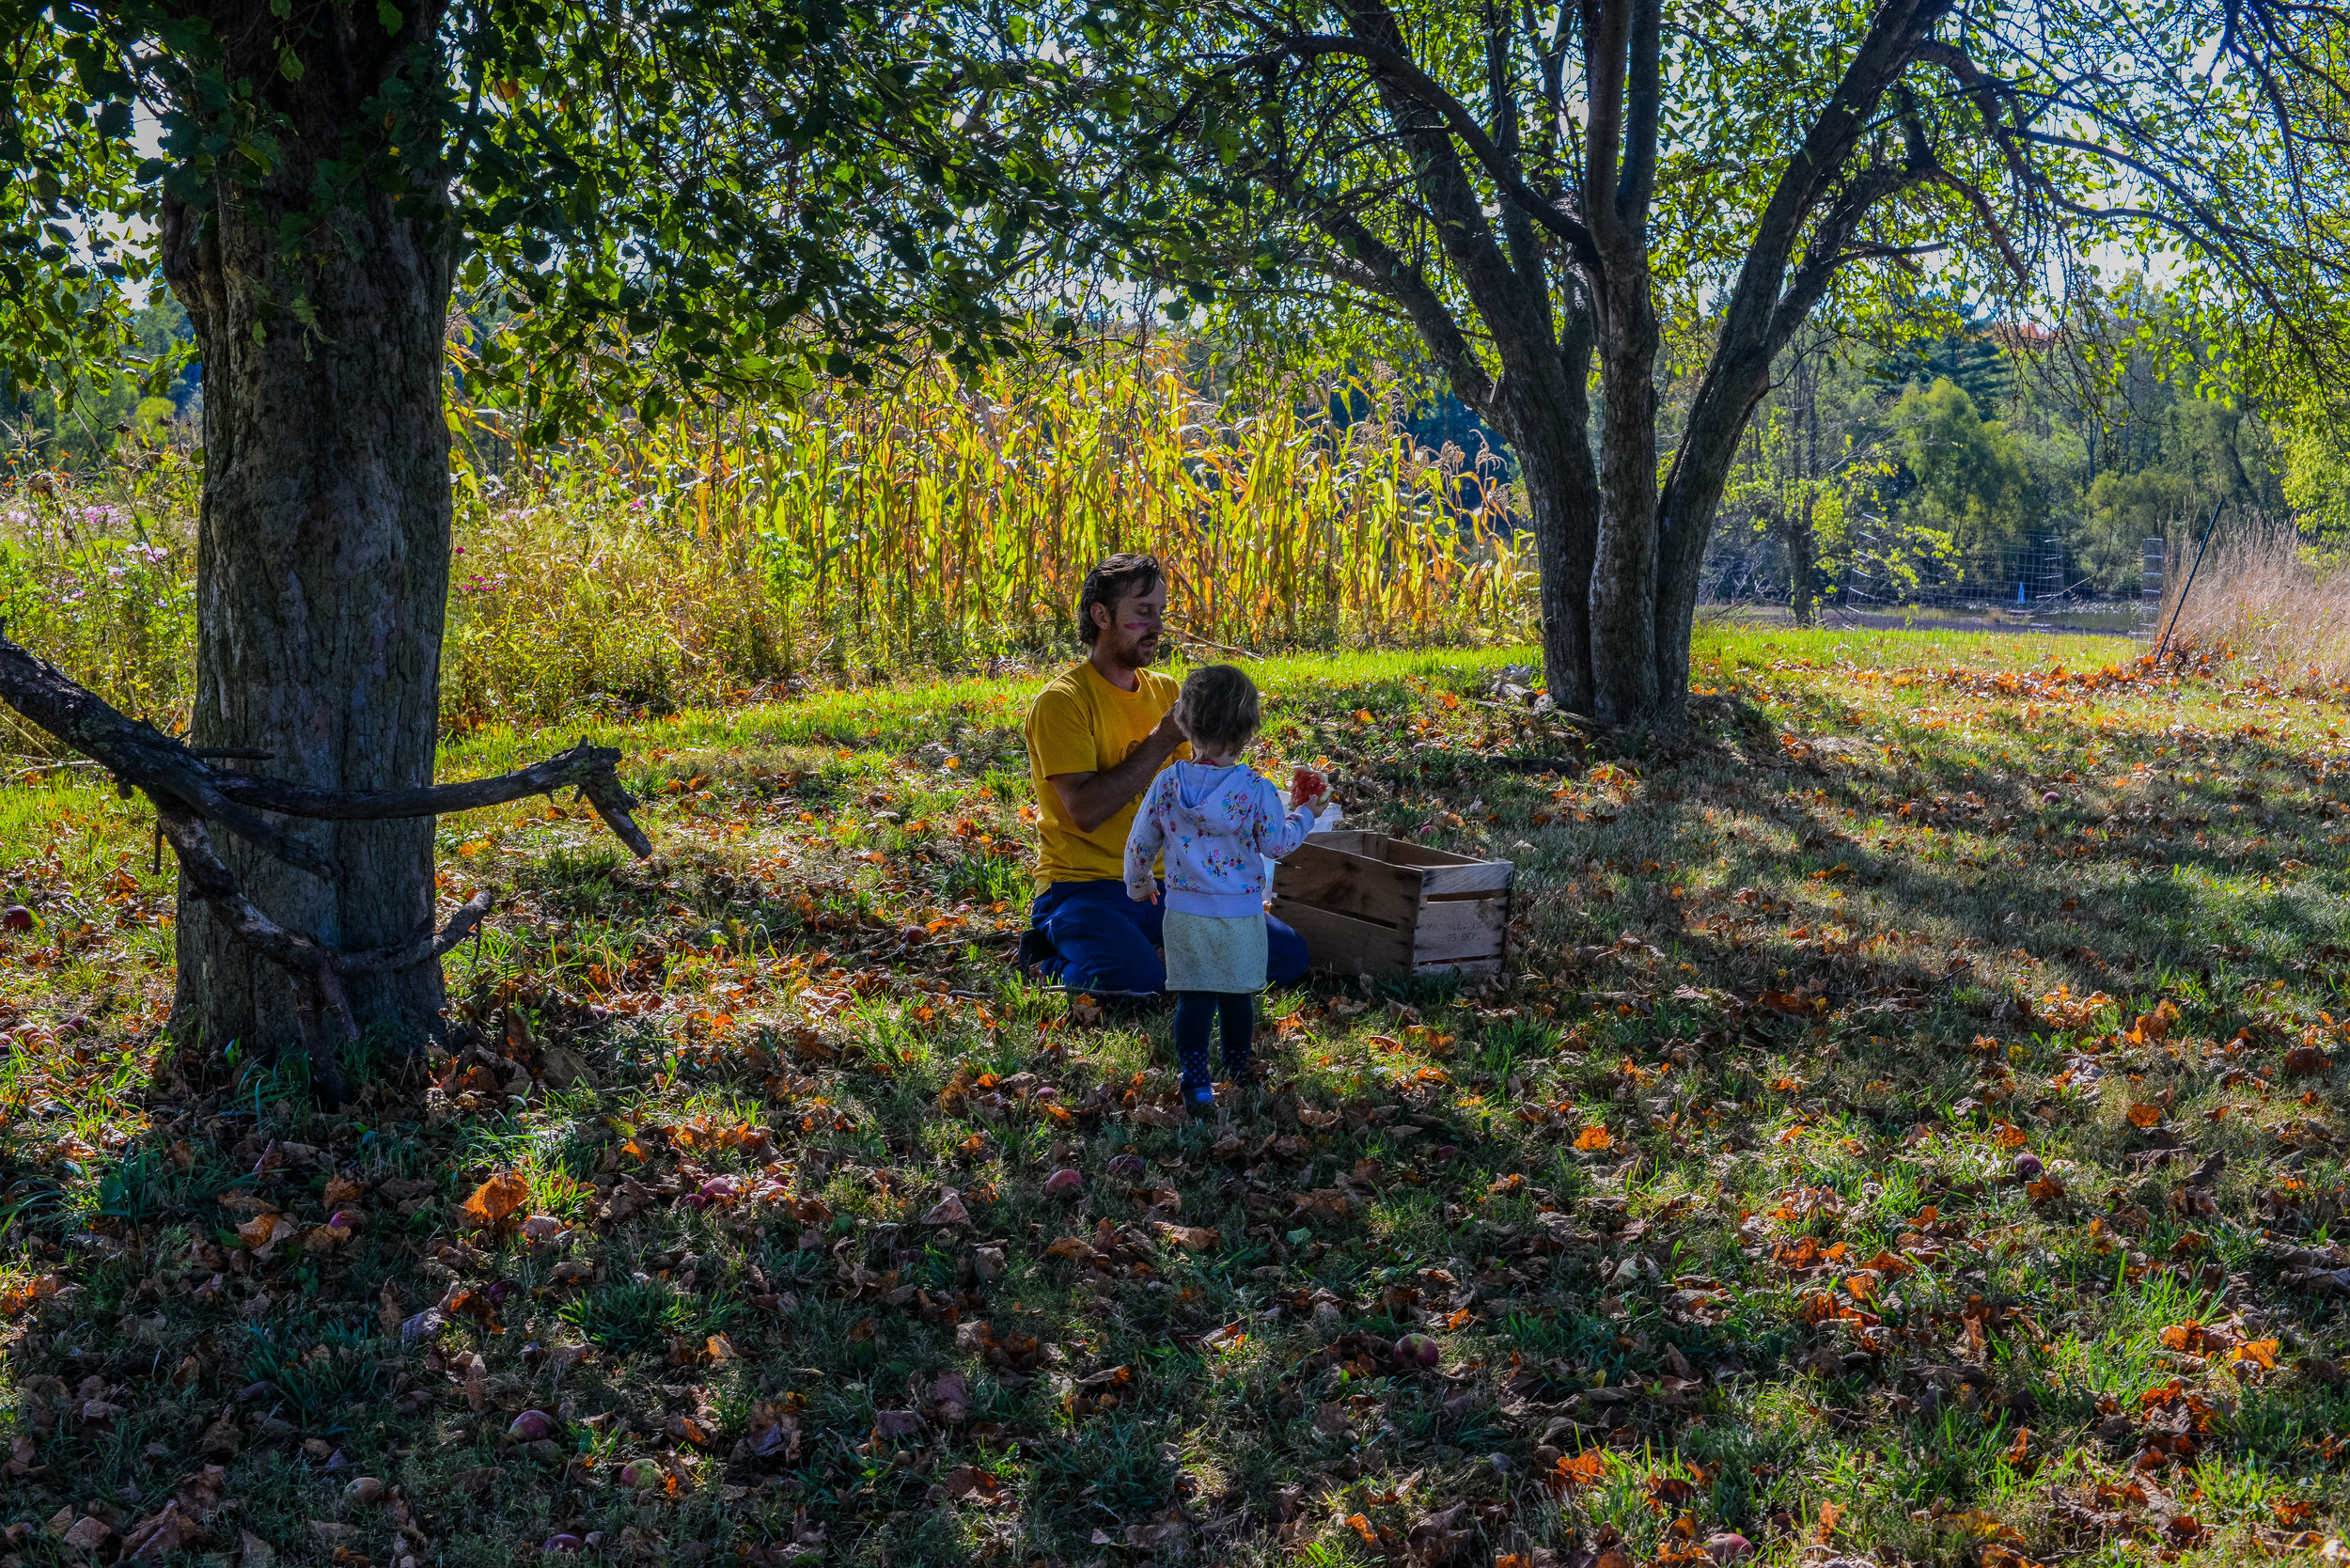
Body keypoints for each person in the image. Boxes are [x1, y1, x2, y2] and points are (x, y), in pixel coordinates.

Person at [1020, 553, 1309, 995]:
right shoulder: (1063, 702)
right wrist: (1159, 739)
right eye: (1142, 613)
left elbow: (1199, 788)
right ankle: (1050, 957)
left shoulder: (1166, 690)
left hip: (1173, 884)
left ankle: (1156, 952)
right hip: (1083, 888)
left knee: (1288, 957)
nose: (1157, 626)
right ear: (1101, 616)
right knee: (1136, 986)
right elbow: (1085, 811)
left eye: (1160, 612)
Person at [1123, 665, 1326, 1113]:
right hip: (1240, 915)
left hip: (1184, 913)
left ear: (1185, 722)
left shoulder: (1167, 783)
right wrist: (1306, 813)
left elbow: (1141, 842)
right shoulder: (1255, 790)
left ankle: (1195, 1079)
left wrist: (1139, 884)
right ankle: (1237, 1068)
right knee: (1237, 995)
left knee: (1194, 997)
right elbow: (1278, 843)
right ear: (1248, 730)